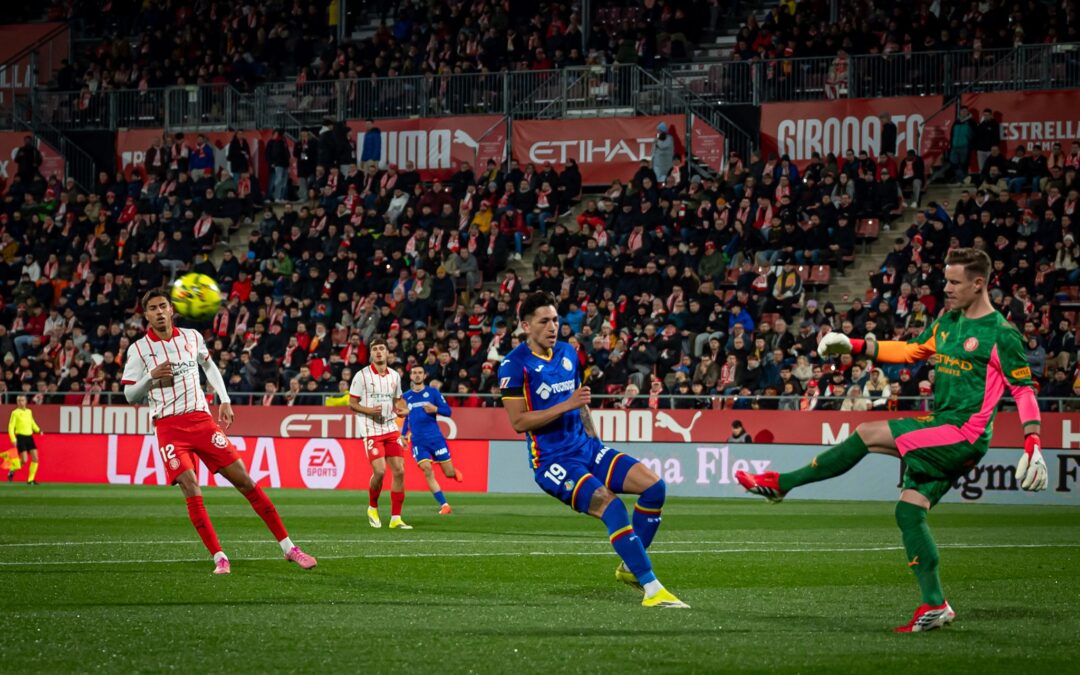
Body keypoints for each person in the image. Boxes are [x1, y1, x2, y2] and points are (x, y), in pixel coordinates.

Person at [736, 248, 1047, 632]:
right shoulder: (948, 320)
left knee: (867, 433)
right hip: (941, 425)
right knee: (909, 512)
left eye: (953, 282)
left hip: (963, 434)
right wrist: (854, 345)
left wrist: (1033, 441)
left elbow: (1024, 390)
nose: (945, 289)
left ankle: (782, 484)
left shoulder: (1001, 334)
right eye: (945, 280)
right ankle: (935, 605)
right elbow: (911, 350)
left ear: (978, 283)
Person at [498, 292, 688, 608]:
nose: (552, 326)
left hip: (587, 448)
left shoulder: (569, 353)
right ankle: (652, 587)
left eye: (555, 320)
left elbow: (582, 403)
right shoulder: (513, 365)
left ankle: (630, 567)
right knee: (611, 507)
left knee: (655, 487)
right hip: (553, 461)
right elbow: (519, 422)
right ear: (525, 325)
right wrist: (567, 404)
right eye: (544, 321)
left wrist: (595, 441)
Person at [122, 289, 317, 574]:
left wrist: (224, 399)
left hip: (201, 421)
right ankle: (219, 556)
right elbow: (129, 394)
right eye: (153, 308)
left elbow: (208, 365)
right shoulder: (138, 350)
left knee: (245, 481)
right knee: (191, 486)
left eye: (163, 306)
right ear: (147, 315)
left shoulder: (192, 337)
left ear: (171, 308)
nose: (159, 312)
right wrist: (150, 378)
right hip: (169, 428)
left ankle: (289, 548)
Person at [348, 337, 411, 529]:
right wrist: (369, 411)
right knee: (380, 471)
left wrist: (403, 409)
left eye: (382, 348)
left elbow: (398, 400)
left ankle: (395, 518)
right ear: (371, 354)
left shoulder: (394, 376)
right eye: (375, 349)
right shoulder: (361, 376)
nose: (379, 352)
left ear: (387, 352)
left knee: (399, 471)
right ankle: (372, 507)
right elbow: (352, 403)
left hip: (391, 428)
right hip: (371, 429)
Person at [401, 365, 463, 514]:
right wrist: (403, 435)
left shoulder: (433, 393)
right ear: (410, 376)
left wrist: (435, 409)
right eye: (414, 373)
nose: (417, 375)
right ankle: (444, 505)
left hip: (435, 439)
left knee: (447, 473)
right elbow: (406, 417)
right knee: (427, 469)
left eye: (420, 373)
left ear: (424, 376)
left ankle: (453, 472)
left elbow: (448, 411)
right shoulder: (406, 396)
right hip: (418, 441)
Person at [7, 395, 42, 484]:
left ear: (26, 401)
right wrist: (13, 439)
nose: (20, 402)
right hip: (20, 437)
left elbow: (32, 422)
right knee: (24, 460)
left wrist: (38, 430)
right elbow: (11, 427)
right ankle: (12, 469)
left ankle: (30, 480)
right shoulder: (15, 413)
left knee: (35, 458)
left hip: (29, 437)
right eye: (19, 400)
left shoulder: (29, 412)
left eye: (22, 400)